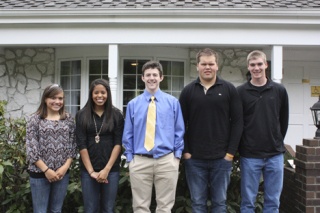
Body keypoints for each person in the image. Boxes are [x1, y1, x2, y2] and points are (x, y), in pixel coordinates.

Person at [179, 48, 243, 212]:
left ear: (217, 66)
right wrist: (186, 152)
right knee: (198, 204)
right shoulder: (188, 91)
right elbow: (179, 124)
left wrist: (230, 153)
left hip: (221, 159)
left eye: (211, 64)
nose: (207, 67)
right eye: (204, 64)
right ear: (197, 66)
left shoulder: (229, 90)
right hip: (195, 159)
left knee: (220, 203)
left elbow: (237, 122)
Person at [122, 60, 185, 212]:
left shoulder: (172, 103)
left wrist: (176, 156)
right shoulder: (133, 104)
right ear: (142, 78)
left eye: (155, 75)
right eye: (148, 75)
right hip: (140, 161)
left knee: (164, 207)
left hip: (166, 160)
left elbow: (179, 130)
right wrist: (130, 158)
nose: (152, 78)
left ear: (161, 78)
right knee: (140, 207)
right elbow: (128, 133)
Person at [237, 50, 289, 213]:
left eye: (260, 64)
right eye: (252, 65)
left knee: (273, 202)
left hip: (274, 155)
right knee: (247, 202)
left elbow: (283, 121)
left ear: (266, 65)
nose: (256, 68)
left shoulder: (279, 91)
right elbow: (237, 122)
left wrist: (276, 140)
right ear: (248, 67)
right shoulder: (240, 92)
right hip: (250, 155)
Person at [26, 84, 77, 213]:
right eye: (53, 98)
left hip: (61, 174)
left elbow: (73, 145)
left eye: (60, 98)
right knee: (40, 210)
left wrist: (65, 167)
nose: (57, 102)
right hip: (39, 173)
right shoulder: (34, 119)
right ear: (45, 99)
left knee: (56, 210)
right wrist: (47, 170)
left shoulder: (68, 119)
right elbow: (32, 149)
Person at [76, 79, 124, 213]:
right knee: (90, 209)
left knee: (108, 208)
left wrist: (106, 170)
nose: (99, 96)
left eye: (103, 92)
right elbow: (81, 144)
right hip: (88, 171)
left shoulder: (116, 115)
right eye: (96, 92)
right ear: (91, 94)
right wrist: (91, 171)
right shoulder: (81, 115)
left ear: (108, 94)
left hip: (111, 170)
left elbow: (118, 143)